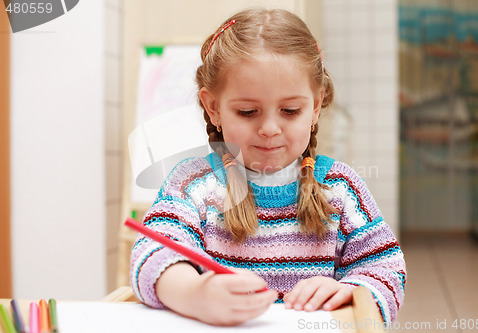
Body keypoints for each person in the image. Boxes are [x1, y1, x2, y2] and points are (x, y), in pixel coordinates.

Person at [130, 8, 406, 326]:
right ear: (213, 107)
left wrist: (351, 291)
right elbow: (151, 253)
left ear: (316, 106)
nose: (270, 128)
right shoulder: (192, 184)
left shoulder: (340, 187)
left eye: (290, 110)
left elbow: (386, 267)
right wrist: (195, 293)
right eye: (248, 112)